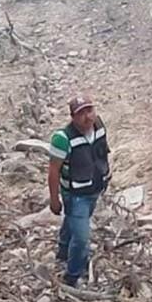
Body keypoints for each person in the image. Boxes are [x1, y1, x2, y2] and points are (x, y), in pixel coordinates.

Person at [47, 94, 111, 287]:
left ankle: (63, 250)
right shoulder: (62, 138)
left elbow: (101, 153)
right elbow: (53, 170)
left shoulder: (99, 126)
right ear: (72, 117)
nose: (88, 117)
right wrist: (54, 199)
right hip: (75, 196)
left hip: (95, 189)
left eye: (90, 110)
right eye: (81, 113)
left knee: (74, 221)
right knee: (82, 238)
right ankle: (72, 276)